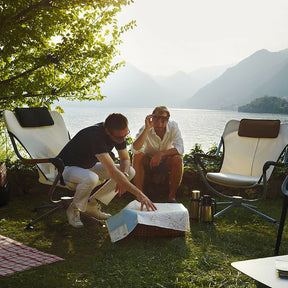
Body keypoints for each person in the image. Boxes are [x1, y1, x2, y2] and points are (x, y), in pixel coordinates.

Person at [57, 113, 157, 228]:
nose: (123, 139)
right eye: (120, 137)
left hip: (87, 166)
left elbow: (125, 159)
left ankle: (91, 203)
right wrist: (140, 194)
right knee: (91, 178)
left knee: (130, 171)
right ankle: (74, 208)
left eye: (126, 134)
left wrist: (124, 175)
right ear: (107, 131)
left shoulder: (119, 134)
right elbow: (113, 172)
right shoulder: (95, 137)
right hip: (64, 168)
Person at [132, 106, 184, 203]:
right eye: (156, 118)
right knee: (137, 156)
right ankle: (139, 195)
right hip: (148, 161)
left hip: (165, 161)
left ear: (168, 120)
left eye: (163, 119)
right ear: (151, 117)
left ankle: (172, 197)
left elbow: (180, 148)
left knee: (178, 159)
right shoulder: (145, 128)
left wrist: (161, 154)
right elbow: (135, 149)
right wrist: (147, 128)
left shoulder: (173, 127)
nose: (159, 123)